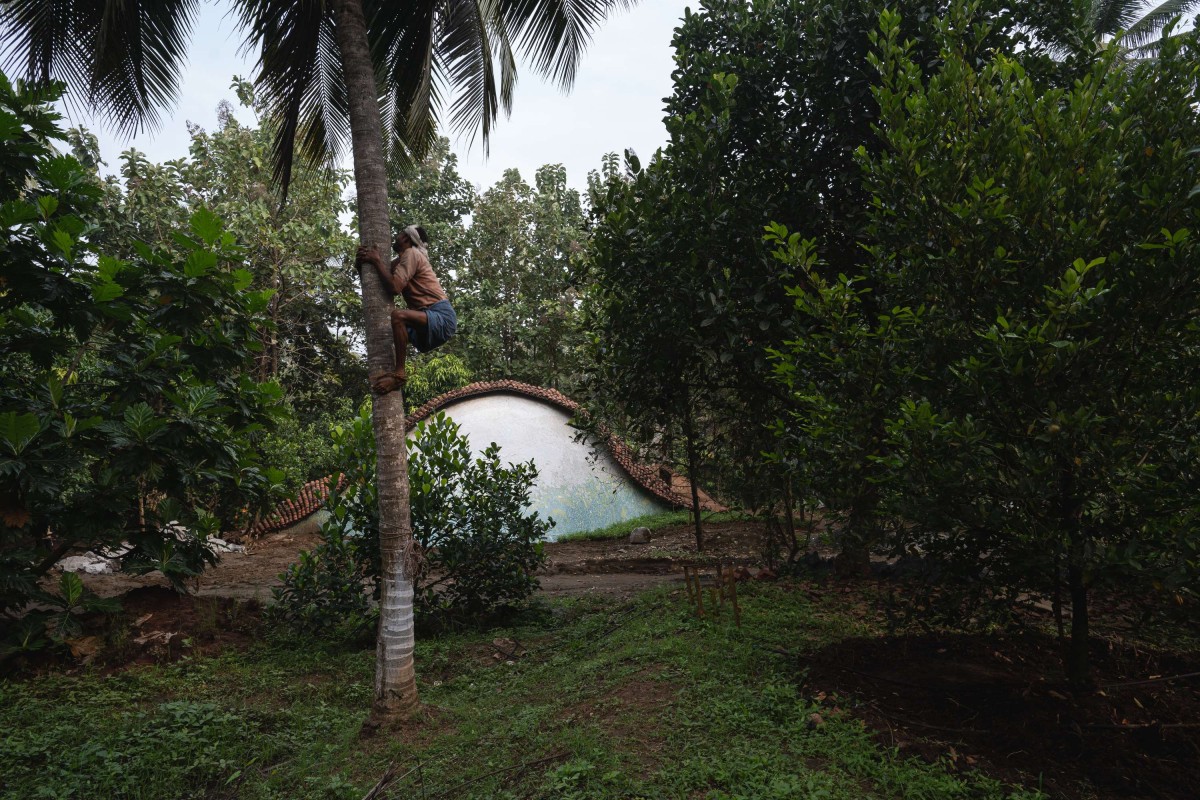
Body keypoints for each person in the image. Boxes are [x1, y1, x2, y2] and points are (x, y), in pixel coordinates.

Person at [355, 224, 457, 395]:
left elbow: (394, 288)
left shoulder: (412, 254)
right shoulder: (402, 261)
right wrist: (362, 265)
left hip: (441, 316)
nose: (397, 236)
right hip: (425, 323)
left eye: (400, 233)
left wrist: (377, 260)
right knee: (390, 332)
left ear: (406, 239)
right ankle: (394, 373)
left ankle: (400, 374)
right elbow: (382, 278)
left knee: (398, 316)